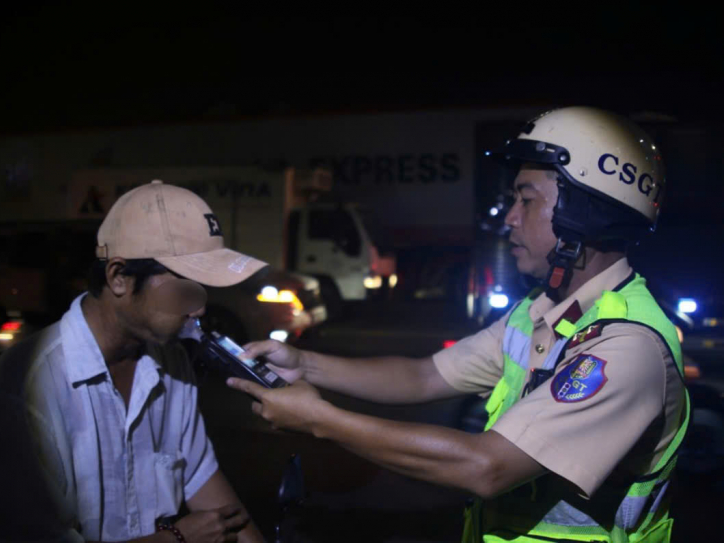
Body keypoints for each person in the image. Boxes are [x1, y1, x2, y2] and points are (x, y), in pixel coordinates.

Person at [227, 107, 689, 542]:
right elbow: (424, 375)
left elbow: (486, 467)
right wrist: (305, 365)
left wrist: (319, 420)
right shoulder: (540, 310)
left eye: (525, 201)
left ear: (583, 214)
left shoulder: (626, 347)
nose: (508, 218)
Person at [0, 180, 268, 542]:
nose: (200, 308)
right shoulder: (28, 383)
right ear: (119, 277)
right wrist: (174, 540)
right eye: (186, 289)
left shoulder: (173, 363)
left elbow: (208, 490)